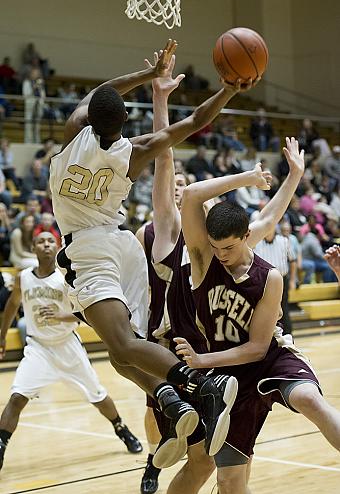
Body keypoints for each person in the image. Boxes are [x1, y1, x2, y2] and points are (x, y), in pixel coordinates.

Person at [49, 39, 255, 468]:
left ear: (89, 118)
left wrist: (146, 75)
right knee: (122, 351)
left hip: (89, 251)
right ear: (124, 119)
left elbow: (101, 93)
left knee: (122, 344)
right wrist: (230, 89)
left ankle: (202, 386)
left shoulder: (71, 135)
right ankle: (171, 401)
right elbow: (198, 119)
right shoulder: (135, 153)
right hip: (123, 247)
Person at [177, 137, 340, 493]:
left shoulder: (270, 277)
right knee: (230, 481)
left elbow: (256, 349)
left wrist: (202, 360)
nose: (221, 254)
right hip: (227, 378)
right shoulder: (204, 260)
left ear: (246, 237)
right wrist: (247, 178)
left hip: (267, 357)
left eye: (229, 247)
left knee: (310, 400)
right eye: (216, 246)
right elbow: (190, 196)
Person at [136, 55, 215, 494]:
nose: (180, 190)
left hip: (204, 342)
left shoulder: (209, 243)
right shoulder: (160, 231)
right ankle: (153, 459)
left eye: (190, 188)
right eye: (176, 189)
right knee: (157, 413)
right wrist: (159, 99)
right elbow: (165, 160)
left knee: (210, 438)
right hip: (163, 336)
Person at [0, 232, 143, 471]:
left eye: (50, 242)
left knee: (97, 395)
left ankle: (121, 428)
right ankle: (1, 446)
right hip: (38, 348)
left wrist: (60, 315)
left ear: (56, 247)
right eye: (40, 242)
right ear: (33, 248)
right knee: (17, 397)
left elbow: (86, 313)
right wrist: (3, 335)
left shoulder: (66, 279)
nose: (46, 245)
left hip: (67, 345)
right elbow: (12, 305)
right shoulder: (23, 278)